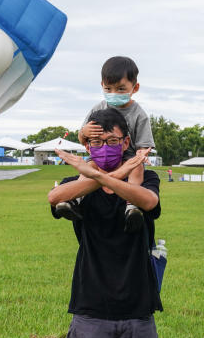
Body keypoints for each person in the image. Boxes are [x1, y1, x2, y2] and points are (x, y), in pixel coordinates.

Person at [48, 107, 162, 338]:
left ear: (127, 142)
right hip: (89, 315)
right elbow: (54, 199)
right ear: (85, 143)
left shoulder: (146, 181)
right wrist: (102, 173)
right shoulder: (76, 187)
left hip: (139, 315)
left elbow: (148, 202)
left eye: (112, 141)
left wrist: (115, 174)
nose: (105, 146)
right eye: (95, 142)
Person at [59, 56, 155, 231]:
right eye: (108, 89)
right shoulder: (97, 109)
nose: (114, 94)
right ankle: (75, 200)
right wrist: (83, 133)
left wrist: (140, 156)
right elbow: (84, 140)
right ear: (101, 85)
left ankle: (132, 205)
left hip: (127, 158)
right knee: (89, 167)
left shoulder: (139, 114)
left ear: (135, 88)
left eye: (121, 89)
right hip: (101, 157)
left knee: (137, 168)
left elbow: (143, 145)